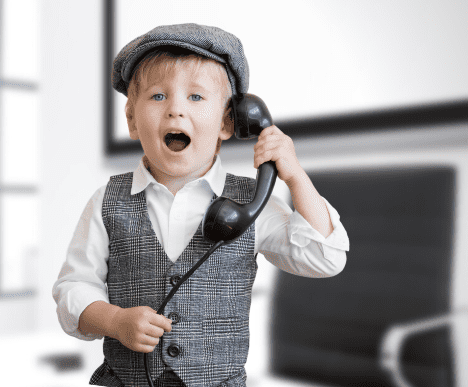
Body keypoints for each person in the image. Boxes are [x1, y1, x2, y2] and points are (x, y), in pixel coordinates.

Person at [52, 23, 350, 387]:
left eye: (196, 97)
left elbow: (325, 258)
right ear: (131, 119)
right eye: (158, 96)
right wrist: (114, 321)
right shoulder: (105, 202)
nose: (176, 110)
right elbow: (73, 289)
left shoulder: (251, 206)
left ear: (229, 122)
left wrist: (295, 176)